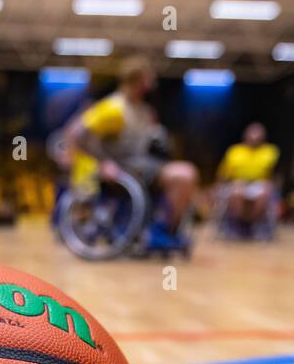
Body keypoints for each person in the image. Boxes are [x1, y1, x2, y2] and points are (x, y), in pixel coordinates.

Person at [66, 56, 199, 234]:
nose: (154, 82)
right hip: (125, 169)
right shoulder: (115, 108)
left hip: (142, 167)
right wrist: (103, 163)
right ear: (140, 79)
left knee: (184, 174)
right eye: (150, 77)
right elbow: (77, 134)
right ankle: (163, 231)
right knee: (184, 174)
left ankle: (165, 228)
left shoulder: (143, 110)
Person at [216, 122, 279, 233]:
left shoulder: (270, 152)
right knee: (236, 193)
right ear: (245, 136)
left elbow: (275, 174)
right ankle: (239, 224)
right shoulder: (234, 151)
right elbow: (224, 174)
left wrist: (271, 186)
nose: (254, 139)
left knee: (263, 194)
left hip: (260, 184)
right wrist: (219, 187)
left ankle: (253, 225)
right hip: (237, 183)